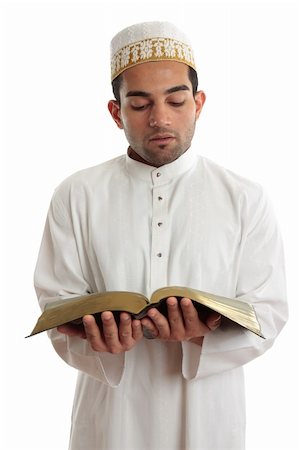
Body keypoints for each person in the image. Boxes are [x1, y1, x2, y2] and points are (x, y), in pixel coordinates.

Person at [34, 21, 288, 450]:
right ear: (116, 113)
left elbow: (269, 312)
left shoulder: (245, 197)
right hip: (110, 418)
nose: (160, 118)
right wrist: (100, 340)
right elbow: (57, 307)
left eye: (176, 100)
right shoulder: (76, 194)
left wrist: (200, 333)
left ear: (199, 103)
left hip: (209, 417)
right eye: (139, 104)